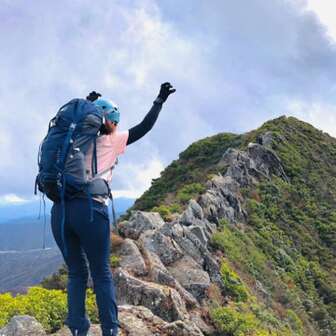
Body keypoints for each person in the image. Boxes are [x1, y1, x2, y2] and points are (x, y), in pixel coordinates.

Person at [50, 82, 176, 336]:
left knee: (76, 272)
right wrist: (159, 100)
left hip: (60, 210)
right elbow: (145, 127)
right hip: (89, 209)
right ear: (113, 121)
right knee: (101, 273)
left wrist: (87, 103)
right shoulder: (113, 139)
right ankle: (110, 330)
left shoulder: (71, 139)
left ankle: (77, 328)